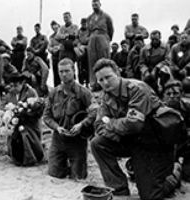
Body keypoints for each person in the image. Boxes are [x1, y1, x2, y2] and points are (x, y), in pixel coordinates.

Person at [91, 58, 180, 199]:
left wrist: (111, 123)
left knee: (150, 195)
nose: (105, 83)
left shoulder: (137, 88)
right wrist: (117, 133)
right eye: (101, 80)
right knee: (98, 143)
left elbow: (134, 124)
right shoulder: (106, 96)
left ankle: (174, 172)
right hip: (130, 139)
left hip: (153, 143)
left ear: (118, 73)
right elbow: (98, 124)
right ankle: (118, 188)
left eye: (108, 77)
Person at [43, 58, 95, 179]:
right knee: (54, 174)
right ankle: (63, 166)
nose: (64, 74)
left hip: (77, 141)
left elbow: (95, 111)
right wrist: (57, 127)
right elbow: (46, 116)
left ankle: (75, 166)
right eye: (61, 71)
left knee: (78, 176)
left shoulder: (84, 92)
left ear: (73, 71)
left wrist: (81, 124)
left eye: (67, 71)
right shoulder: (54, 93)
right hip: (58, 139)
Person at [4, 72, 44, 166]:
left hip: (29, 122)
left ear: (22, 83)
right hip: (14, 121)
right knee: (13, 132)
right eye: (12, 85)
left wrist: (25, 113)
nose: (14, 88)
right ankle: (16, 157)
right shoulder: (10, 94)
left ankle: (30, 157)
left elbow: (37, 109)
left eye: (16, 85)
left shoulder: (30, 92)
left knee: (24, 132)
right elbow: (4, 107)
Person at [87, 0, 114, 87]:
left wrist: (106, 39)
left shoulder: (106, 16)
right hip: (92, 39)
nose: (94, 5)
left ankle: (106, 82)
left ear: (100, 4)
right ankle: (94, 84)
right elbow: (88, 31)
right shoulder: (89, 18)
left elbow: (111, 30)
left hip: (103, 38)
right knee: (92, 61)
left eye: (96, 3)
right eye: (93, 4)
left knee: (103, 61)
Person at [76, 18, 90, 85]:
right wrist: (79, 45)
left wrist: (85, 45)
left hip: (88, 51)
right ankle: (81, 83)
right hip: (80, 50)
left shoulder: (90, 31)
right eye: (82, 23)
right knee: (80, 68)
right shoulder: (79, 31)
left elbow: (90, 40)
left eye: (85, 23)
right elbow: (76, 40)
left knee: (87, 67)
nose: (84, 25)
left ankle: (88, 83)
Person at [48, 20, 61, 87]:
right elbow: (49, 47)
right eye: (53, 27)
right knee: (55, 73)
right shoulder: (51, 37)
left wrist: (58, 47)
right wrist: (52, 50)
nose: (55, 28)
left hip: (62, 55)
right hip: (54, 56)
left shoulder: (62, 34)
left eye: (56, 27)